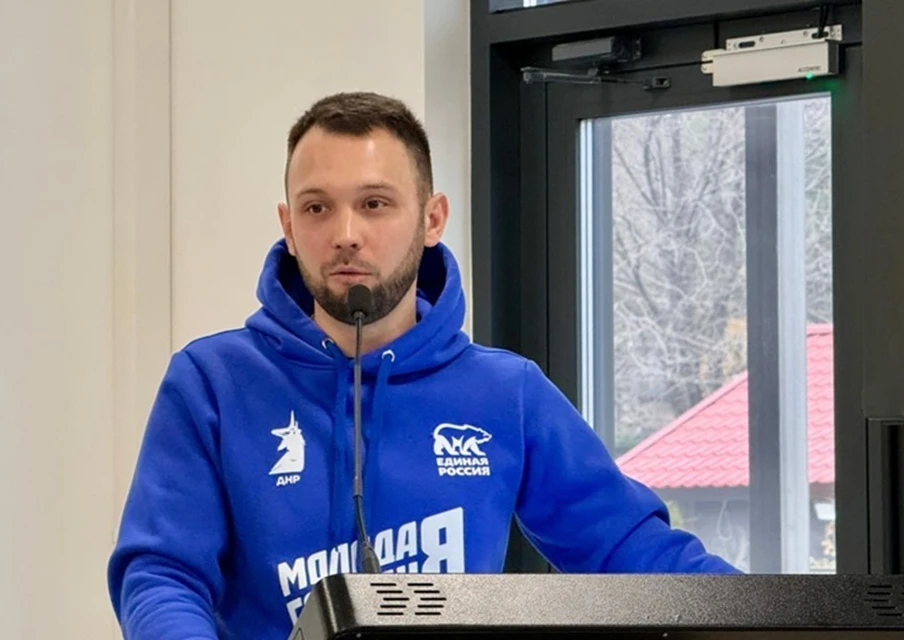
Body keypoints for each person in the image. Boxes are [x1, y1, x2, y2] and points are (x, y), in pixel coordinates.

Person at [108, 91, 738, 640]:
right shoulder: (212, 382)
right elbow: (162, 575)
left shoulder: (507, 393)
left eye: (375, 204)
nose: (345, 233)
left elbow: (629, 549)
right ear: (289, 226)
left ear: (432, 218)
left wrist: (765, 615)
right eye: (317, 208)